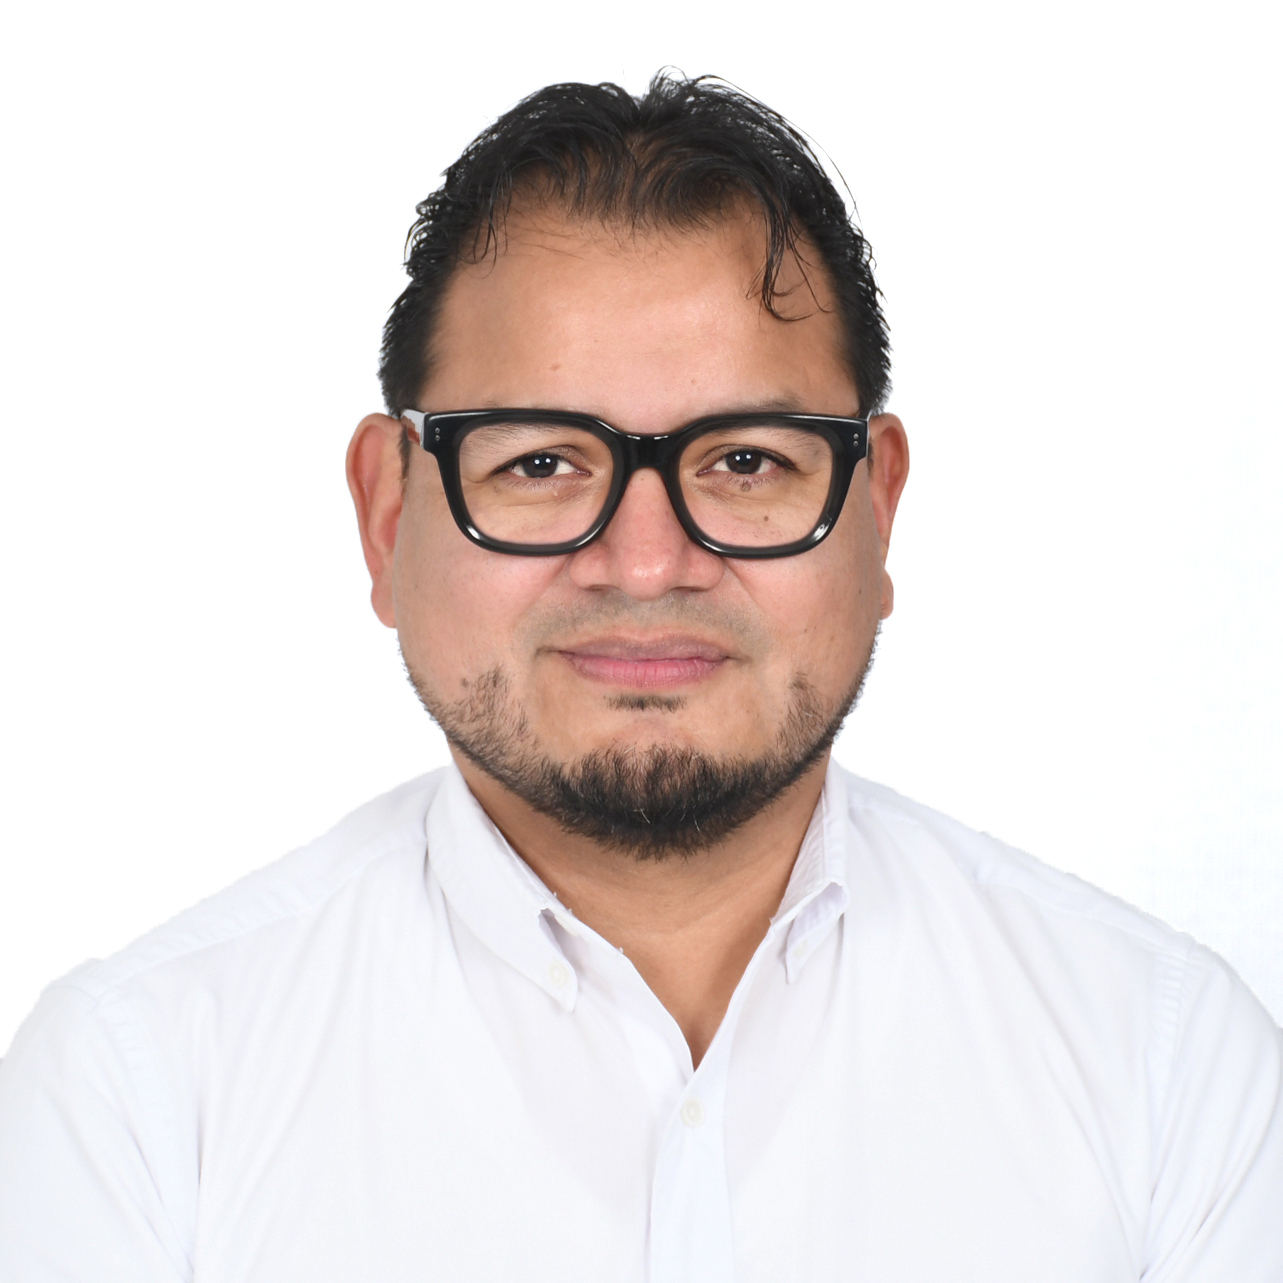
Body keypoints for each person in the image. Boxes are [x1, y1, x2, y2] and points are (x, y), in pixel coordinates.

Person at [0, 72, 1279, 1282]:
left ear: (877, 508)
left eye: (747, 461)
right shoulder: (138, 1098)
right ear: (387, 515)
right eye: (539, 463)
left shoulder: (1167, 1069)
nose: (648, 561)